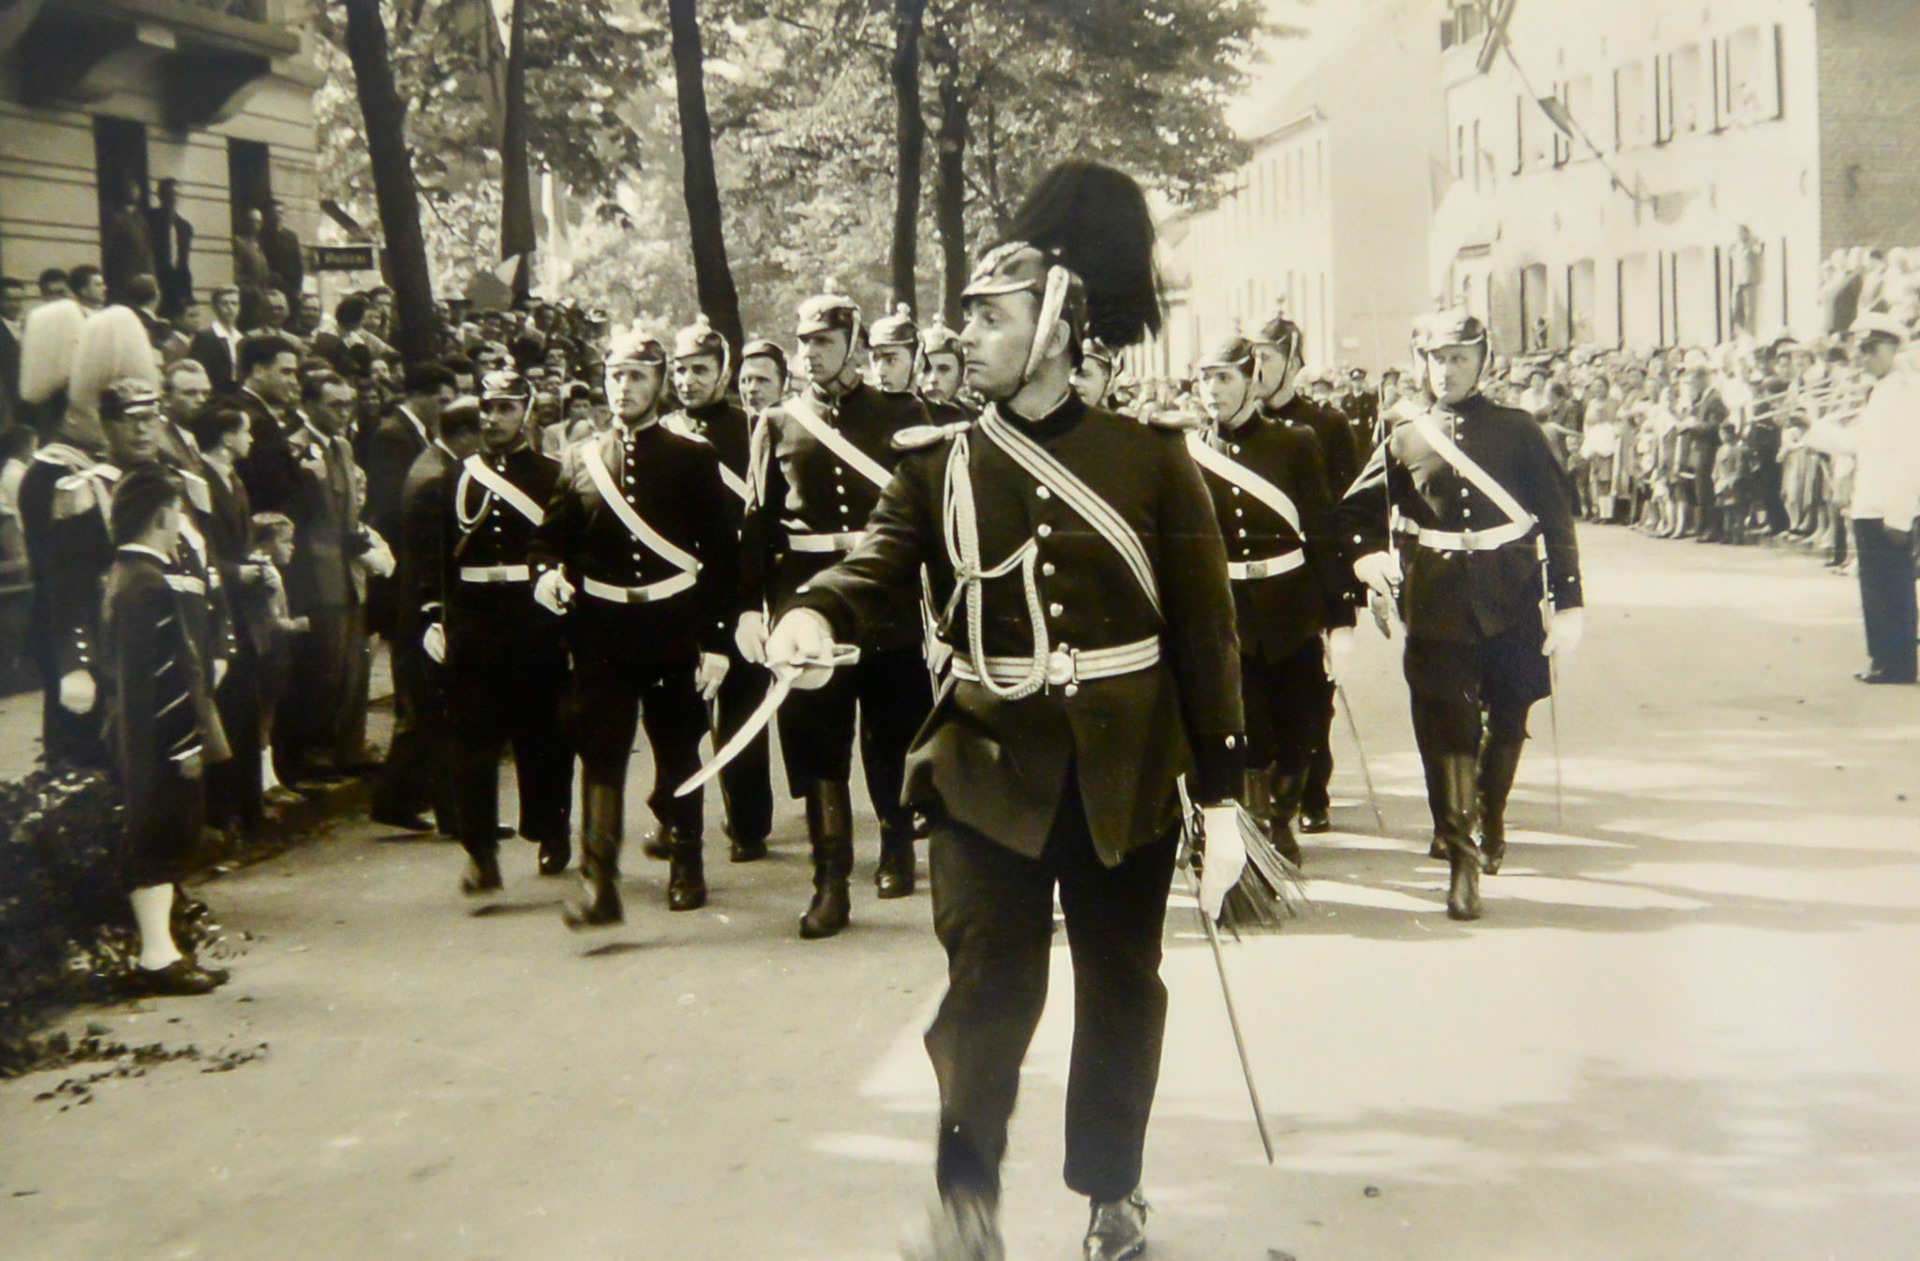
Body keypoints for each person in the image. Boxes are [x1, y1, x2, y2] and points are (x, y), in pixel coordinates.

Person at [763, 162, 1245, 1261]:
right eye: (966, 317)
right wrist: (810, 613)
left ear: (1060, 327)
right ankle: (966, 1198)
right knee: (986, 988)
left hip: (1124, 773)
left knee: (1122, 989)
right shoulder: (937, 462)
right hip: (985, 765)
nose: (966, 337)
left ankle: (1111, 1195)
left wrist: (1223, 795)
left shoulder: (1155, 461)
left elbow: (1205, 638)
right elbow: (877, 563)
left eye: (991, 317)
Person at [1340, 311, 1583, 919]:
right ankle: (1461, 854)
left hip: (1511, 592)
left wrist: (1570, 601)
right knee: (1444, 724)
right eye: (1434, 358)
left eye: (1458, 358)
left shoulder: (1521, 431)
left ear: (1482, 361)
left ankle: (1488, 814)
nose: (1444, 370)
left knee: (1508, 712)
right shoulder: (1404, 432)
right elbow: (1357, 511)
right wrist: (1369, 559)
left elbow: (1556, 519)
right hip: (1437, 595)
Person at [738, 290, 933, 935]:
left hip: (888, 601)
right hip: (808, 603)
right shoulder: (776, 422)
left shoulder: (904, 413)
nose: (810, 354)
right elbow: (758, 527)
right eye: (804, 342)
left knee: (893, 734)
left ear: (852, 343)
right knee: (818, 742)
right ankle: (830, 883)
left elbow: (929, 519)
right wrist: (754, 609)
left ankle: (897, 846)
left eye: (823, 341)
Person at [532, 330, 738, 924]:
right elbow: (550, 539)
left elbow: (721, 555)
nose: (623, 388)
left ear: (659, 383)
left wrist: (718, 641)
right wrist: (545, 573)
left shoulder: (691, 457)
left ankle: (686, 864)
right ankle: (600, 883)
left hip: (673, 625)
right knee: (601, 755)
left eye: (637, 376)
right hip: (602, 632)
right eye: (616, 375)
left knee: (678, 749)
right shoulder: (579, 459)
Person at [1191, 332, 1354, 866]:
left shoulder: (1295, 442)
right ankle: (1265, 830)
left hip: (1292, 606)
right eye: (1205, 378)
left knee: (1302, 723)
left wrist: (1340, 619)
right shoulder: (1190, 453)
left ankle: (1285, 810)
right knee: (1250, 728)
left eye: (1225, 378)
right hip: (1229, 612)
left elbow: (1322, 532)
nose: (1212, 390)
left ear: (1252, 381)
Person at [429, 370, 572, 891]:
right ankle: (480, 850)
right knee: (472, 738)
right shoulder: (457, 476)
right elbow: (437, 556)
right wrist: (432, 616)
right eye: (486, 409)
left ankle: (550, 827)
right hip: (473, 618)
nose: (492, 419)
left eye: (505, 408)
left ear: (528, 413)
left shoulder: (555, 474)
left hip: (533, 619)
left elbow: (566, 550)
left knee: (545, 733)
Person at [101, 459, 231, 996]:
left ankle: (166, 949)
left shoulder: (126, 576)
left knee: (159, 836)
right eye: (176, 510)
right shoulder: (148, 584)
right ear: (161, 516)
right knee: (161, 835)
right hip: (160, 738)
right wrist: (184, 744)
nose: (180, 520)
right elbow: (164, 675)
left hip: (138, 732)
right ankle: (158, 957)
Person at [16, 308, 159, 770]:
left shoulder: (97, 468)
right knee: (79, 740)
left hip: (109, 619)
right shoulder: (54, 475)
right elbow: (64, 572)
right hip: (72, 619)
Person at [661, 316, 769, 862]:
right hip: (679, 590)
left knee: (740, 710)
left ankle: (748, 823)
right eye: (679, 369)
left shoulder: (753, 430)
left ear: (724, 373)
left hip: (737, 582)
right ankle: (674, 819)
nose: (687, 379)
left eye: (699, 369)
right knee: (676, 715)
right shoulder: (660, 432)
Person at [1249, 310, 1357, 835]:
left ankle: (1314, 787)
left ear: (1293, 363)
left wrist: (1342, 601)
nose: (1256, 368)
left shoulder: (1327, 425)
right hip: (1254, 585)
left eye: (1266, 358)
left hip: (1306, 579)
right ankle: (1272, 801)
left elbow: (1342, 512)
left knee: (1313, 699)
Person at [370, 397, 479, 833]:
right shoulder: (437, 477)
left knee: (426, 712)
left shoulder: (434, 466)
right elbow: (437, 558)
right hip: (427, 609)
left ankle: (395, 801)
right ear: (465, 435)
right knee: (439, 711)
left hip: (421, 606)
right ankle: (454, 814)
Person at [1837, 315, 1919, 684]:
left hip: (1887, 507)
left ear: (1889, 348)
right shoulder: (1883, 390)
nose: (1862, 358)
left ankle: (1898, 662)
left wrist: (1900, 514)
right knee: (1875, 588)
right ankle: (1883, 658)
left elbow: (1909, 456)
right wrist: (1813, 431)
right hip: (1869, 502)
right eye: (1860, 350)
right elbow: (1862, 445)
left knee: (1893, 588)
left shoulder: (1905, 391)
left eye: (1869, 350)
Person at [145, 179, 195, 319]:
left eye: (177, 195)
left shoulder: (185, 227)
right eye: (169, 195)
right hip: (156, 283)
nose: (174, 199)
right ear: (160, 196)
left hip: (177, 289)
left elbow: (183, 262)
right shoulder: (148, 220)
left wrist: (187, 294)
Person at [189, 288, 244, 394]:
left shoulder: (240, 338)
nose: (230, 308)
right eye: (225, 304)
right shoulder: (205, 337)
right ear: (215, 307)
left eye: (234, 304)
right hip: (214, 394)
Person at [917, 318, 971, 424]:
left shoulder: (974, 419)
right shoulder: (901, 418)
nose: (933, 379)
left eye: (944, 369)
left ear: (961, 374)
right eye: (925, 369)